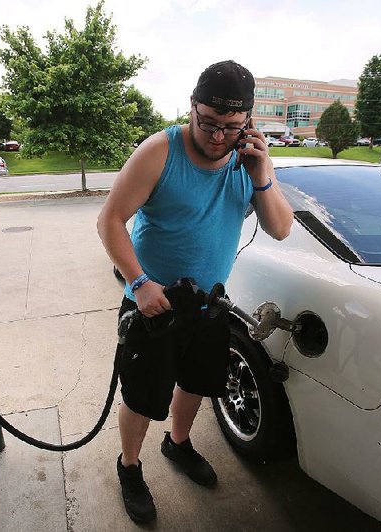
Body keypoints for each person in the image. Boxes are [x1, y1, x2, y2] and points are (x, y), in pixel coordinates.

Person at [96, 60, 294, 524]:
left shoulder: (250, 162)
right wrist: (139, 283)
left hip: (209, 303)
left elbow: (281, 228)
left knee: (197, 383)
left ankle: (178, 444)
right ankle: (129, 466)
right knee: (143, 396)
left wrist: (262, 171)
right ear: (191, 107)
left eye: (231, 126)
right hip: (152, 304)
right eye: (207, 122)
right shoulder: (159, 152)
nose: (217, 136)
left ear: (247, 122)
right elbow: (109, 221)